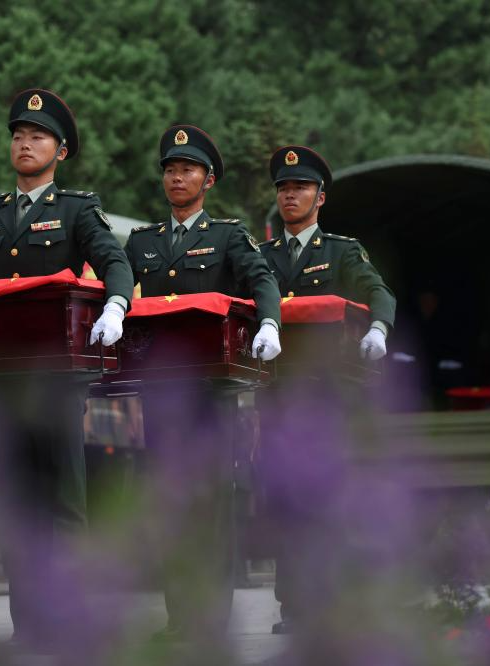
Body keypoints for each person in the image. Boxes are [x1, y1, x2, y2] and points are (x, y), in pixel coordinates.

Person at [0, 88, 133, 651]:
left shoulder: (77, 209)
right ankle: (28, 627)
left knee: (63, 502)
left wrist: (116, 303)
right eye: (18, 135)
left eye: (37, 137)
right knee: (17, 505)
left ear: (60, 151)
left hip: (58, 377)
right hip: (0, 377)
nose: (24, 144)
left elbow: (114, 261)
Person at [122, 124, 281, 642]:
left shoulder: (228, 236)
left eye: (187, 170)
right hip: (161, 393)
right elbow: (117, 281)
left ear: (207, 180)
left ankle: (210, 623)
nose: (177, 177)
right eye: (170, 169)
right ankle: (179, 620)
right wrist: (114, 303)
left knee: (210, 508)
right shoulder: (143, 241)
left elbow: (262, 280)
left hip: (211, 394)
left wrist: (270, 322)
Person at [256, 145, 396, 634]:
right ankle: (293, 606)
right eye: (283, 188)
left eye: (300, 188)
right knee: (285, 501)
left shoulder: (341, 251)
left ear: (320, 197)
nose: (290, 195)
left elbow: (378, 291)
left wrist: (378, 328)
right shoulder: (261, 257)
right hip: (277, 394)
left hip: (328, 394)